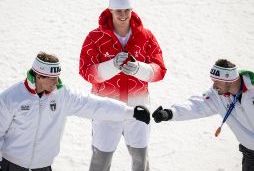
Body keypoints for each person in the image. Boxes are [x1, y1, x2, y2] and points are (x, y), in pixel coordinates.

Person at [0, 52, 150, 171]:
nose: (56, 82)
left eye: (57, 77)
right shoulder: (12, 97)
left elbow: (94, 105)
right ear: (39, 76)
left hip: (43, 166)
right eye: (52, 78)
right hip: (11, 165)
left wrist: (130, 112)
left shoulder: (62, 95)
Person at [79, 0, 166, 171]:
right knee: (100, 162)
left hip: (138, 108)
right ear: (110, 10)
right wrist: (112, 65)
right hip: (105, 108)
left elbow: (160, 70)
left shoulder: (146, 36)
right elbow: (86, 71)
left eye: (127, 10)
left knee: (140, 162)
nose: (123, 15)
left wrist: (138, 69)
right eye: (119, 10)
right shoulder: (95, 37)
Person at [152, 59, 254, 171]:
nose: (214, 85)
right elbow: (197, 106)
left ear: (229, 80)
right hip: (250, 153)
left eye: (217, 81)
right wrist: (170, 113)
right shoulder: (218, 95)